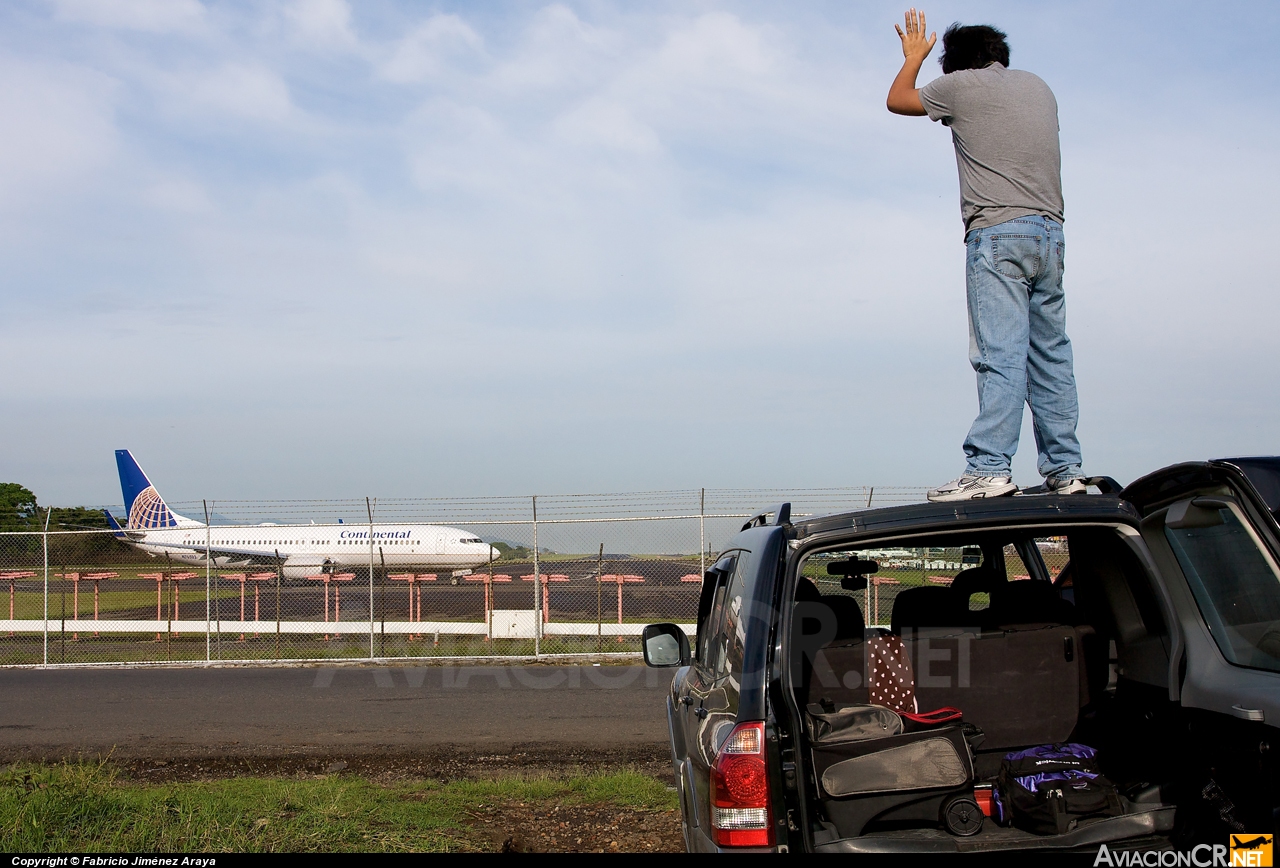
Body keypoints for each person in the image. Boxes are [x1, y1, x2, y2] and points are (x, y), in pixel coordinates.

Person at [887, 9, 1086, 502]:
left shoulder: (961, 87)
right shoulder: (1039, 87)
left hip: (997, 233)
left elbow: (897, 101)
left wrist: (914, 59)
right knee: (1052, 355)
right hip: (1050, 234)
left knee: (1000, 354)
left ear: (958, 65)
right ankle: (1065, 469)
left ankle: (990, 468)